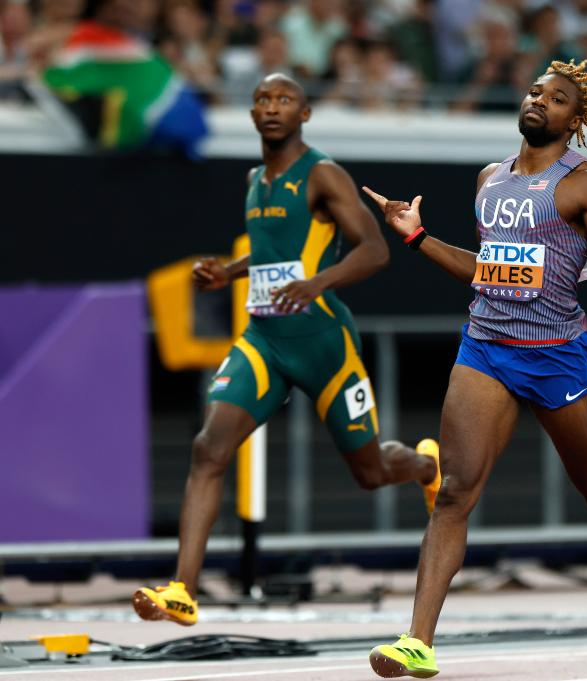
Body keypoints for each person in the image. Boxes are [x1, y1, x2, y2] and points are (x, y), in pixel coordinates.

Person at [361, 59, 587, 678]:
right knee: (454, 492)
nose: (540, 100)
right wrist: (417, 237)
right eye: (536, 90)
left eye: (557, 98)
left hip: (558, 355)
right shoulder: (490, 179)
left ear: (575, 119)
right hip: (486, 347)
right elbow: (486, 269)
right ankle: (417, 640)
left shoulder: (586, 186)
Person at [132, 74, 441, 626]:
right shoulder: (255, 178)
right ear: (253, 113)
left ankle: (424, 465)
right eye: (263, 100)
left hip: (323, 343)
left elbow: (374, 250)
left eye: (285, 100)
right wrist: (227, 273)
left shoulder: (323, 174)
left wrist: (317, 284)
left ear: (305, 114)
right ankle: (183, 589)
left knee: (370, 472)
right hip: (264, 340)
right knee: (208, 449)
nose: (272, 108)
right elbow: (272, 250)